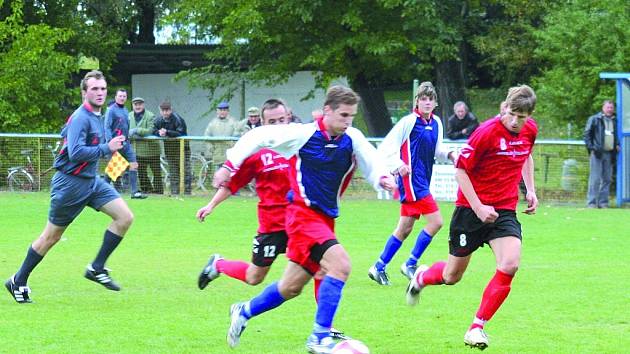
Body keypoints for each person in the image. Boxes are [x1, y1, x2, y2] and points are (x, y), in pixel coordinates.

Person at [213, 85, 396, 353]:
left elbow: (372, 160)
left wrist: (382, 177)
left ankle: (244, 310)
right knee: (341, 265)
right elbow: (260, 135)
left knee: (290, 287)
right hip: (302, 216)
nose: (348, 121)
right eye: (343, 115)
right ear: (327, 111)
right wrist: (230, 165)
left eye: (352, 116)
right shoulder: (303, 134)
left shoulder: (352, 137)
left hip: (325, 220)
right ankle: (319, 337)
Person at [405, 85, 538, 350]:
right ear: (505, 107)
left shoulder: (530, 131)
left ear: (529, 116)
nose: (515, 121)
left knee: (510, 264)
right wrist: (478, 207)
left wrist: (531, 189)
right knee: (452, 276)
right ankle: (421, 277)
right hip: (470, 211)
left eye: (521, 117)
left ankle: (476, 327)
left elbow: (526, 156)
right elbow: (461, 171)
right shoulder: (486, 132)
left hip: (503, 212)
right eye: (511, 114)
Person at [5, 70, 135, 303]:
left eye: (103, 88)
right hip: (70, 184)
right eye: (94, 89)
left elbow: (90, 147)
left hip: (91, 181)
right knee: (51, 237)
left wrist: (113, 151)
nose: (100, 93)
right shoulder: (81, 117)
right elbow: (75, 153)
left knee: (125, 217)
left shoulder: (98, 116)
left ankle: (96, 268)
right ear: (84, 92)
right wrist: (107, 148)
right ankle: (18, 280)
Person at [368, 81, 456, 286]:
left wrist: (451, 154)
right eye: (422, 99)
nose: (426, 102)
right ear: (417, 101)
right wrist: (398, 165)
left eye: (430, 99)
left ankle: (378, 267)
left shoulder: (436, 123)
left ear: (435, 102)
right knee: (436, 222)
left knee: (404, 228)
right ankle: (410, 263)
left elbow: (437, 150)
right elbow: (387, 147)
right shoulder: (409, 122)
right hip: (413, 183)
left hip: (423, 180)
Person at [104, 89, 147, 199]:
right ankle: (101, 189)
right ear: (116, 97)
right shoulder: (111, 110)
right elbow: (107, 126)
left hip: (126, 143)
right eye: (120, 96)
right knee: (114, 169)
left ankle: (134, 192)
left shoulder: (125, 110)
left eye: (124, 96)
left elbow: (125, 127)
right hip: (115, 142)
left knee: (134, 164)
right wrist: (110, 142)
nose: (122, 98)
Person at [584, 100, 619, 208]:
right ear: (603, 108)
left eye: (611, 108)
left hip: (610, 153)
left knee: (607, 179)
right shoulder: (595, 119)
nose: (610, 110)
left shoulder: (615, 121)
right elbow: (587, 135)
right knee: (595, 179)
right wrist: (592, 148)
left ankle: (603, 203)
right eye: (608, 107)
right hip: (597, 153)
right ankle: (592, 203)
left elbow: (617, 135)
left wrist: (617, 144)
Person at [153, 100, 192, 195]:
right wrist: (159, 133)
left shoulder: (177, 119)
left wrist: (167, 132)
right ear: (160, 110)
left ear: (171, 110)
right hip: (170, 150)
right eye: (163, 110)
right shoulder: (158, 120)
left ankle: (187, 192)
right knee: (173, 171)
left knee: (185, 171)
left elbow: (181, 132)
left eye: (167, 110)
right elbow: (153, 130)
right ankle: (175, 192)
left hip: (182, 149)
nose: (165, 112)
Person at [129, 97, 163, 194]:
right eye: (136, 104)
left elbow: (150, 131)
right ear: (133, 105)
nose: (138, 106)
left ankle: (159, 191)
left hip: (152, 150)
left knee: (156, 172)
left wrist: (136, 130)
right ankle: (146, 190)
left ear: (143, 105)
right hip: (138, 150)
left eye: (140, 104)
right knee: (141, 172)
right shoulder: (129, 116)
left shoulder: (150, 115)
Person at [204, 101, 241, 169]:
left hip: (230, 156)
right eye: (220, 110)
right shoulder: (213, 123)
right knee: (218, 176)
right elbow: (207, 136)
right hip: (217, 155)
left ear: (228, 111)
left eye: (224, 110)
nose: (222, 112)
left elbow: (237, 136)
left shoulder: (233, 122)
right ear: (217, 111)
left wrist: (233, 147)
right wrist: (211, 148)